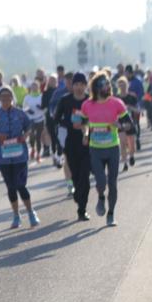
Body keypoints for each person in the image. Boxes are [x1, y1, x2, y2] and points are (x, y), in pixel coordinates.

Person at [0, 87, 40, 228]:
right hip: (3, 157)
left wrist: (25, 135)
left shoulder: (20, 114)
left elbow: (29, 127)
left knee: (20, 185)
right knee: (11, 187)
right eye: (3, 97)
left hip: (20, 156)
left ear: (12, 98)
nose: (6, 99)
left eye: (8, 96)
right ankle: (16, 215)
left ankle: (31, 212)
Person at [82, 72, 132, 226]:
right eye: (105, 84)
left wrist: (120, 125)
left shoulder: (117, 103)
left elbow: (129, 124)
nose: (109, 86)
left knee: (113, 183)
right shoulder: (87, 105)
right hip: (95, 149)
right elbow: (84, 122)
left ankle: (111, 214)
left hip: (112, 149)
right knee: (101, 182)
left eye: (109, 83)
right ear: (97, 87)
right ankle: (101, 197)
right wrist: (85, 134)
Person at [55, 73, 93, 221]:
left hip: (87, 142)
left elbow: (96, 118)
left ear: (85, 85)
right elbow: (56, 119)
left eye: (81, 84)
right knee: (76, 175)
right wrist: (70, 124)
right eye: (76, 84)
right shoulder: (65, 100)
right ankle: (78, 196)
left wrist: (84, 125)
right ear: (72, 85)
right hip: (70, 142)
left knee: (85, 177)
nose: (79, 87)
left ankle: (82, 210)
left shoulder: (90, 100)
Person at [116, 77, 138, 171]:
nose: (122, 87)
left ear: (127, 85)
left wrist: (129, 107)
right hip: (120, 122)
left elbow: (137, 109)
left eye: (124, 85)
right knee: (122, 143)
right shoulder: (116, 98)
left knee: (131, 143)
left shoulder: (132, 97)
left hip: (130, 121)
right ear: (118, 86)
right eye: (120, 85)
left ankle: (131, 156)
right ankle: (125, 163)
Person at [22, 80, 46, 162]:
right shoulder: (27, 97)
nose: (34, 87)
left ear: (38, 87)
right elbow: (24, 108)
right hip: (30, 119)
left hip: (40, 119)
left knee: (38, 137)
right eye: (33, 86)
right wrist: (28, 110)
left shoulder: (42, 96)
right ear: (30, 88)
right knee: (32, 136)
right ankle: (32, 148)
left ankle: (38, 154)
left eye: (36, 86)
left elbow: (45, 108)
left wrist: (41, 108)